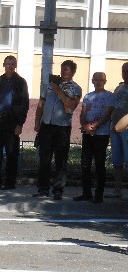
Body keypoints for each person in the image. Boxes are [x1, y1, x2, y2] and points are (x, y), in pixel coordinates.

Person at [33, 60, 82, 200]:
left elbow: (70, 105)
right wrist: (37, 122)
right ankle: (42, 189)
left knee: (60, 160)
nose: (63, 72)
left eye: (67, 70)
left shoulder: (75, 88)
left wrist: (58, 90)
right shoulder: (49, 85)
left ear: (72, 72)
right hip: (47, 125)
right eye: (62, 69)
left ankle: (58, 190)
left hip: (62, 128)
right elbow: (41, 104)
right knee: (45, 159)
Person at [0, 55, 29, 190]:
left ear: (15, 66)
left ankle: (10, 182)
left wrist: (20, 124)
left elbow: (24, 104)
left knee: (11, 153)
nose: (9, 66)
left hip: (12, 121)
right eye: (7, 63)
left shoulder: (20, 82)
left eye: (12, 64)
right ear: (4, 65)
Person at [73, 72, 113, 203]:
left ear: (105, 81)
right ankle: (86, 192)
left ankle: (99, 194)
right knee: (85, 163)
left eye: (101, 80)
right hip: (88, 134)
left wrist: (95, 125)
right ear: (92, 81)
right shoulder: (88, 96)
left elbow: (107, 114)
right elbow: (83, 113)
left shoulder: (109, 96)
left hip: (101, 135)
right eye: (96, 80)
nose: (98, 82)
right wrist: (84, 125)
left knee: (99, 164)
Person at [107, 62, 128, 198]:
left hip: (126, 129)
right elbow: (112, 107)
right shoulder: (119, 87)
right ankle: (117, 190)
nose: (125, 74)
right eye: (124, 71)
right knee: (116, 160)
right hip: (114, 128)